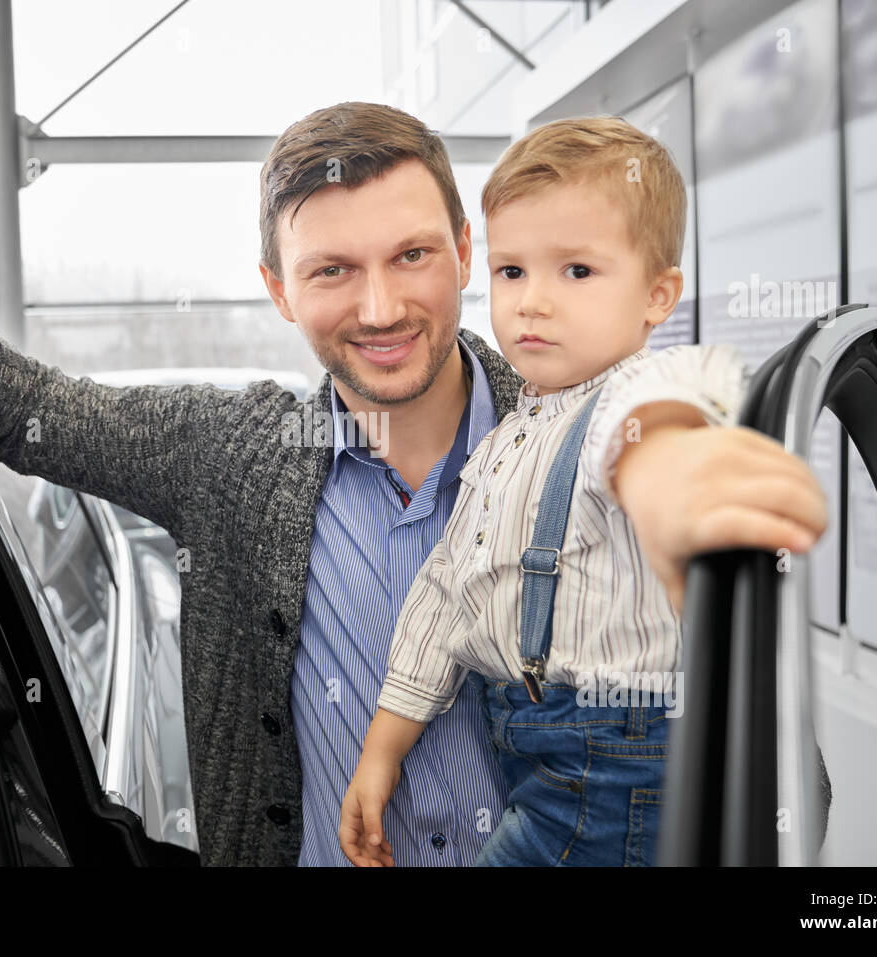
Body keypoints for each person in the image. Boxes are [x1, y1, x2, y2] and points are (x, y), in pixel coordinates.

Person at [0, 103, 826, 867]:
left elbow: (761, 741)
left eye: (411, 256)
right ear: (279, 289)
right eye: (332, 269)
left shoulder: (585, 433)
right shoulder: (230, 459)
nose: (378, 308)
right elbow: (34, 411)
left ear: (466, 255)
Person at [340, 116, 825, 867]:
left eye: (576, 271)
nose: (532, 301)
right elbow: (442, 599)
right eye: (512, 272)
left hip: (621, 767)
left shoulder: (640, 388)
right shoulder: (507, 439)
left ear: (658, 295)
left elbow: (657, 430)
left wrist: (674, 487)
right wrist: (381, 750)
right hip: (551, 764)